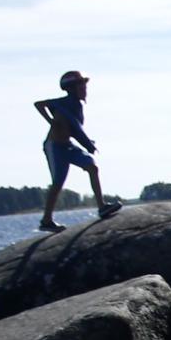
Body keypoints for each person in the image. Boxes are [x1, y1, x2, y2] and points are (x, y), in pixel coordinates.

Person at [32, 70, 120, 233]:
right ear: (71, 88)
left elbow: (76, 129)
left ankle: (101, 207)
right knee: (58, 182)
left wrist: (87, 143)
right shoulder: (62, 102)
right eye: (81, 85)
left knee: (92, 167)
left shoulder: (77, 105)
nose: (84, 89)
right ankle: (46, 220)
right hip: (55, 147)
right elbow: (38, 104)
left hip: (69, 146)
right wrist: (51, 121)